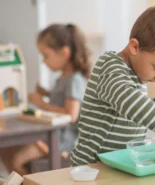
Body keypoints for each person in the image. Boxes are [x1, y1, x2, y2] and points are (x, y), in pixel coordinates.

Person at [71, 5, 155, 166]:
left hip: (121, 165)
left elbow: (135, 113)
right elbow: (131, 104)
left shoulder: (137, 75)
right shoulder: (109, 67)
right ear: (134, 47)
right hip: (93, 166)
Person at [4, 24, 91, 175]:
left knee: (16, 161)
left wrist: (41, 103)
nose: (43, 61)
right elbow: (60, 101)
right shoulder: (63, 79)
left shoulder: (74, 80)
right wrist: (45, 93)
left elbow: (71, 114)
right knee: (6, 151)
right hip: (52, 134)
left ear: (64, 53)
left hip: (61, 140)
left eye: (46, 56)